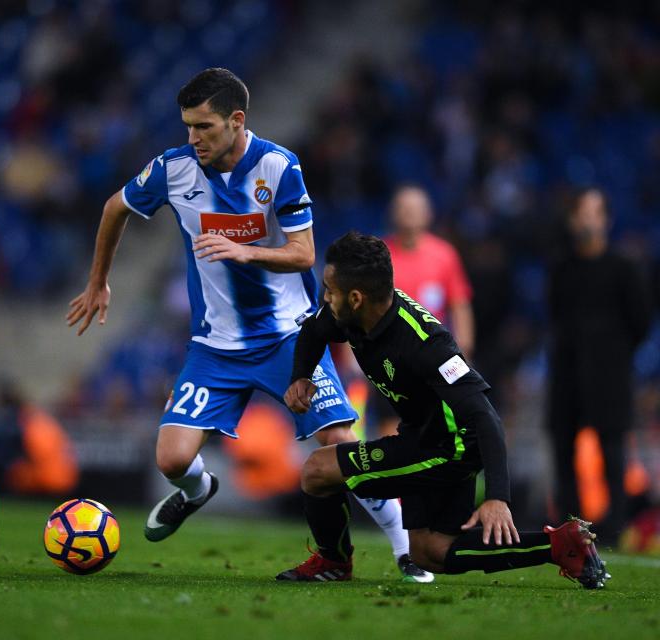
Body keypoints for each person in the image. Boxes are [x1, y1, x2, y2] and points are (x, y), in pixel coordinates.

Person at [67, 67, 431, 581]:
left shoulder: (280, 167)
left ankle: (403, 550)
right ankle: (198, 490)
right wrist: (98, 281)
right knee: (171, 459)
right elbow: (113, 208)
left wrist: (244, 251)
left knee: (342, 445)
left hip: (289, 338)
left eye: (204, 127)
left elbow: (305, 255)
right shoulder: (173, 169)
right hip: (215, 347)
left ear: (236, 121)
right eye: (188, 127)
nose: (193, 139)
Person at [277, 230, 608, 589]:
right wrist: (301, 377)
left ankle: (334, 561)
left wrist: (497, 496)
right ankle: (562, 545)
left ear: (356, 298)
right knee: (430, 552)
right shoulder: (351, 314)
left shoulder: (427, 345)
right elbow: (313, 331)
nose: (325, 297)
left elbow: (485, 416)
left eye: (330, 290)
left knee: (317, 470)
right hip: (424, 434)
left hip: (450, 448)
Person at [547, 189, 652, 544]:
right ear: (572, 220)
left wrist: (614, 353)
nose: (587, 220)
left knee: (613, 452)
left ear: (606, 219)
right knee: (564, 450)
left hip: (609, 375)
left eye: (595, 212)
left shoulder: (623, 268)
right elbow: (554, 315)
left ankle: (615, 529)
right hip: (567, 372)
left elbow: (641, 321)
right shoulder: (562, 267)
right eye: (581, 212)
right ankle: (571, 528)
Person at [372, 184, 474, 437]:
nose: (409, 214)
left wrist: (464, 348)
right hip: (389, 357)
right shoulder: (378, 255)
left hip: (432, 357)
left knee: (438, 425)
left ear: (428, 214)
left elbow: (459, 304)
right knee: (391, 426)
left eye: (415, 209)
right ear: (393, 213)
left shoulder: (444, 255)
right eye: (403, 208)